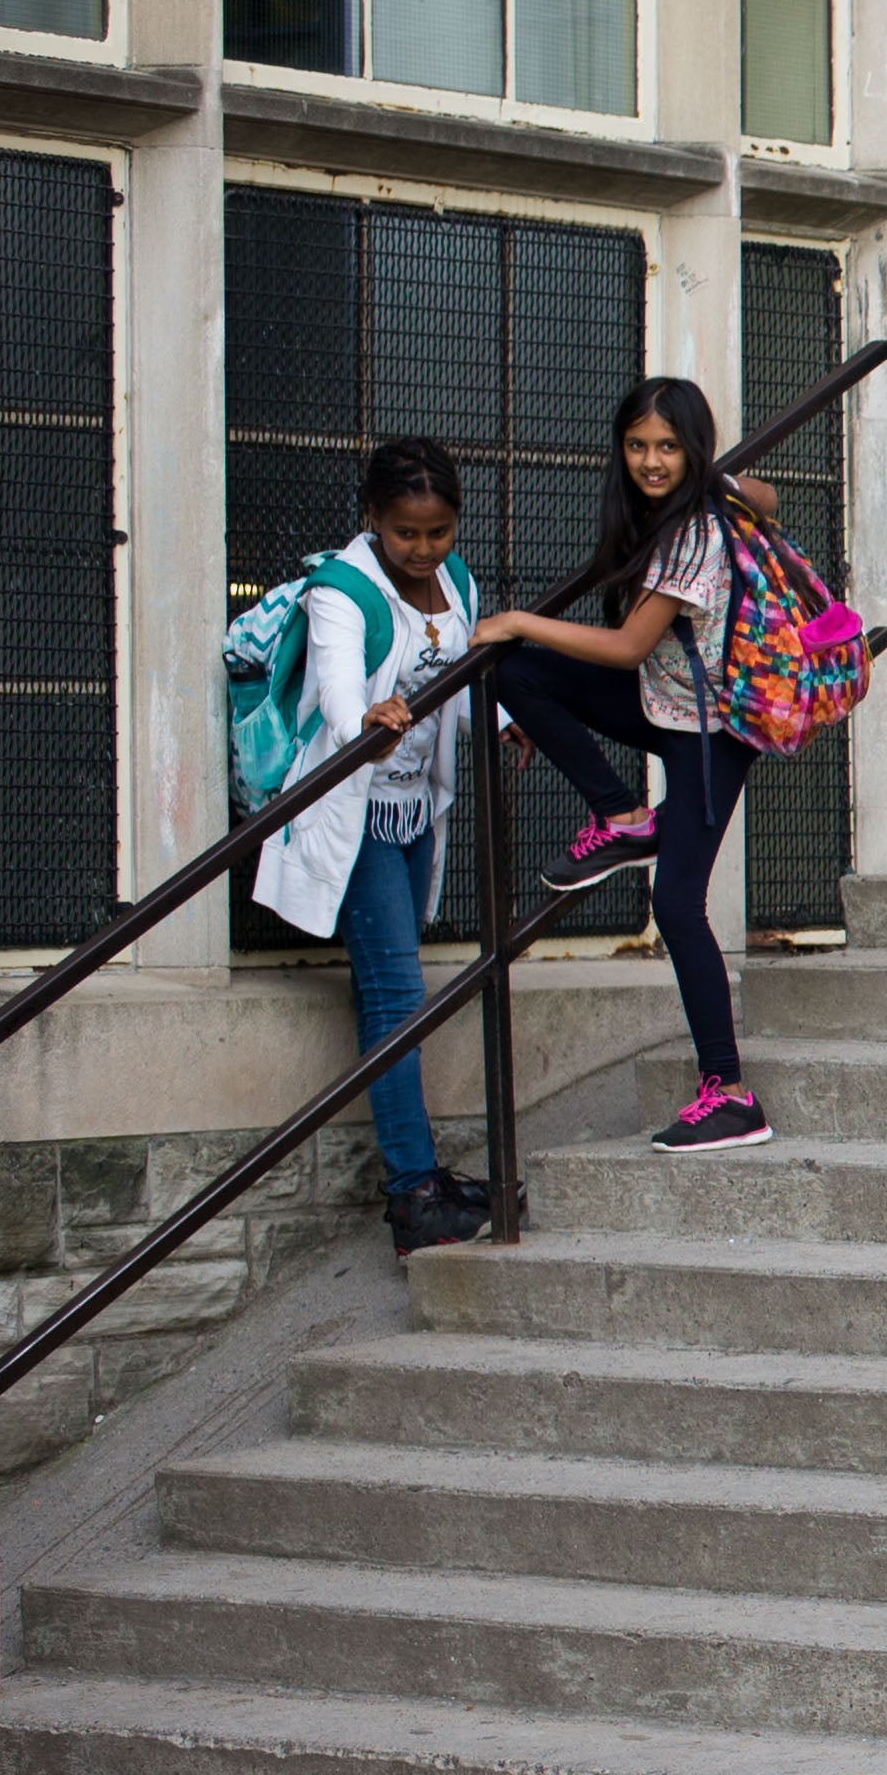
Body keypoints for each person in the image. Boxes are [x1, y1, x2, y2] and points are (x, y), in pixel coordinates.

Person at [471, 378, 775, 1154]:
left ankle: (732, 1094)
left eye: (668, 447)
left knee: (677, 907)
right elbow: (765, 496)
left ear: (692, 450)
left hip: (711, 734)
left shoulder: (693, 533)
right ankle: (621, 815)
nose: (650, 461)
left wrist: (512, 619)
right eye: (638, 445)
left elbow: (626, 646)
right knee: (522, 676)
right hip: (663, 704)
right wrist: (727, 480)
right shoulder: (691, 504)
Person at [245, 438, 489, 1249]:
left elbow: (457, 677)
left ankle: (419, 1175)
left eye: (439, 532)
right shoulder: (342, 589)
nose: (424, 551)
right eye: (406, 534)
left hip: (415, 806)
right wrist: (369, 726)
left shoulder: (456, 582)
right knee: (394, 997)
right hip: (355, 811)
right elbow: (346, 691)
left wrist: (507, 719)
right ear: (373, 521)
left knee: (394, 991)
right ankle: (412, 1191)